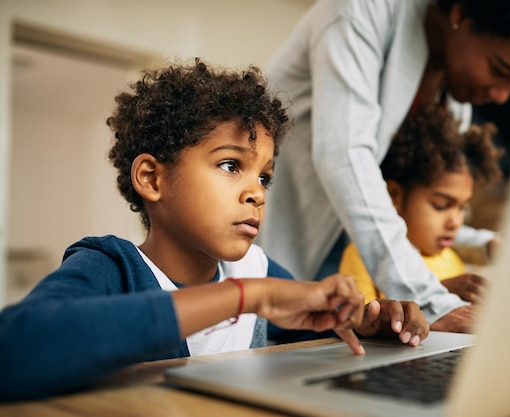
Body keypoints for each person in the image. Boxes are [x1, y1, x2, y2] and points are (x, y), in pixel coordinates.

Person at [0, 59, 429, 402]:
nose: (256, 194)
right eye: (230, 165)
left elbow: (314, 327)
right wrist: (246, 298)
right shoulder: (113, 266)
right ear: (151, 178)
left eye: (264, 177)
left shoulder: (255, 270)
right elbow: (15, 350)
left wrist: (370, 323)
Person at [258, 0, 510, 332]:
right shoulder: (361, 11)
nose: (504, 95)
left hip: (350, 296)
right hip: (287, 263)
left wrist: (483, 244)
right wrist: (432, 301)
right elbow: (345, 158)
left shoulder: (452, 83)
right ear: (460, 12)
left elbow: (412, 214)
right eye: (500, 70)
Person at [339, 106, 503, 305]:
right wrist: (438, 295)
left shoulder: (451, 259)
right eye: (441, 205)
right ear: (395, 196)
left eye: (462, 208)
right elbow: (360, 324)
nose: (455, 222)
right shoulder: (362, 257)